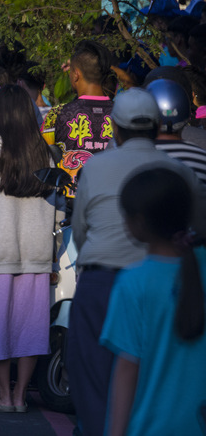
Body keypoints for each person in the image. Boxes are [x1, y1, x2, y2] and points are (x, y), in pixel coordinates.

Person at [66, 87, 201, 436]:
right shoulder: (179, 170)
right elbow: (192, 232)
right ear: (157, 125)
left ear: (115, 128)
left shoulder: (95, 167)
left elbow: (80, 232)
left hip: (102, 283)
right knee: (158, 380)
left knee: (96, 383)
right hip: (168, 283)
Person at [0, 85, 59, 412]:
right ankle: (20, 397)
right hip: (37, 256)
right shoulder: (46, 153)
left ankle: (4, 396)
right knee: (31, 330)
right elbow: (58, 212)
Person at [101, 165, 206, 436]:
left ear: (138, 222)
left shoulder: (133, 282)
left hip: (151, 427)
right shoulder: (201, 265)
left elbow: (127, 371)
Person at [42, 39, 115, 176]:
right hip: (114, 194)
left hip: (71, 195)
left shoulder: (57, 114)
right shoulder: (121, 112)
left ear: (76, 75)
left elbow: (41, 156)